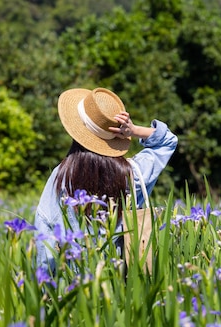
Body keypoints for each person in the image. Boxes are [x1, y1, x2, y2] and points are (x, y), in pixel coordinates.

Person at [34, 87, 178, 271]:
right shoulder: (134, 173)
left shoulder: (62, 176)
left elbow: (45, 230)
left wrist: (44, 288)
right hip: (121, 283)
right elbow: (168, 141)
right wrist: (133, 130)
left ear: (77, 131)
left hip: (72, 285)